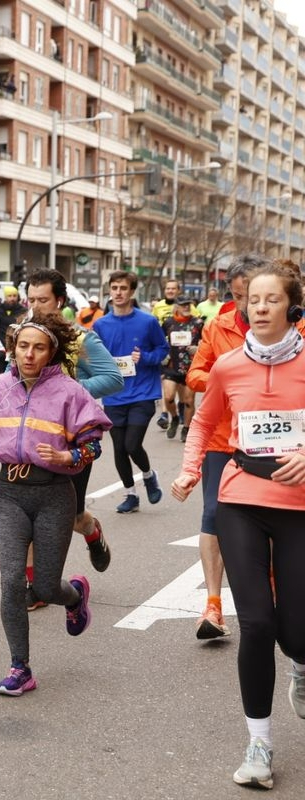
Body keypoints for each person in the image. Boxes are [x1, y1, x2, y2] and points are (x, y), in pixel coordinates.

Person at [171, 262, 305, 790]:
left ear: (292, 306)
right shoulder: (227, 365)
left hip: (299, 506)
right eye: (255, 300)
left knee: (295, 629)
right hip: (241, 497)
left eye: (273, 299)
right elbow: (204, 421)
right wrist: (187, 469)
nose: (262, 308)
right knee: (256, 623)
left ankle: (301, 662)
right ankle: (259, 744)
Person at [0, 316, 109, 697]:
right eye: (23, 346)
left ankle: (74, 596)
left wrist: (67, 458)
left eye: (39, 347)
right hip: (9, 492)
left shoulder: (71, 392)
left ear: (52, 352)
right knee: (12, 580)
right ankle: (20, 667)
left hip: (54, 494)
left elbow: (93, 444)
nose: (29, 354)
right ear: (13, 348)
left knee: (45, 585)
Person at [183, 256, 302, 640]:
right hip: (227, 444)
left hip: (287, 457)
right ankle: (214, 604)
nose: (252, 308)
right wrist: (228, 375)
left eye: (264, 298)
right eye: (243, 299)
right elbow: (197, 373)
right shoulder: (217, 326)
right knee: (214, 516)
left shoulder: (296, 329)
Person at [22, 270, 124, 607]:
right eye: (31, 300)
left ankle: (91, 530)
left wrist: (68, 392)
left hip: (73, 440)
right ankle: (35, 587)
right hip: (31, 439)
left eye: (43, 300)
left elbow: (112, 378)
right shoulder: (23, 337)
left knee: (71, 517)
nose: (36, 307)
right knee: (29, 514)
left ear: (60, 302)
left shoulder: (80, 340)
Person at [92, 270, 169, 513]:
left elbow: (162, 350)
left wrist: (144, 357)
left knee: (132, 445)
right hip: (114, 394)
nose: (118, 293)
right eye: (114, 288)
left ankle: (148, 475)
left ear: (132, 292)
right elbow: (94, 356)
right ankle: (131, 494)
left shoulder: (147, 321)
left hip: (143, 393)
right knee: (118, 448)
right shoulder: (101, 324)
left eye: (123, 288)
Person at [158, 294, 204, 443]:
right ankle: (175, 418)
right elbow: (159, 342)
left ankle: (186, 428)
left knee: (188, 401)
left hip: (191, 368)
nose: (186, 307)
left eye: (188, 304)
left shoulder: (197, 323)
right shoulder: (168, 323)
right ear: (176, 306)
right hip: (171, 366)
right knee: (169, 397)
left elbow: (207, 342)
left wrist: (198, 348)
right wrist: (162, 355)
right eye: (183, 304)